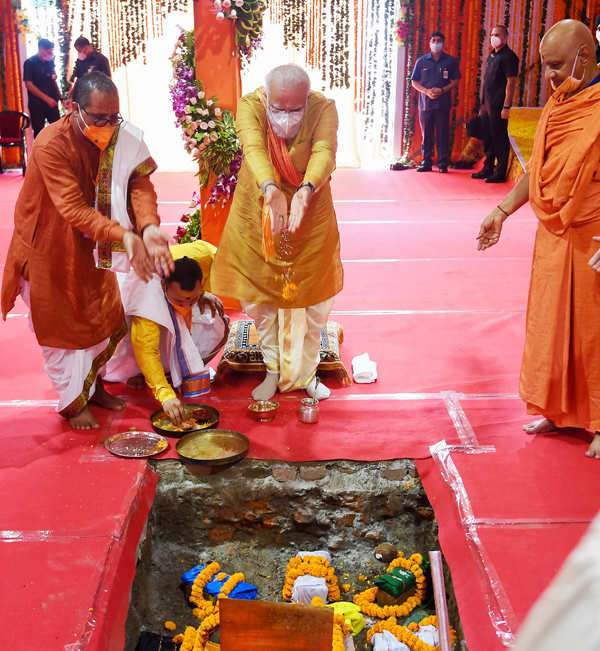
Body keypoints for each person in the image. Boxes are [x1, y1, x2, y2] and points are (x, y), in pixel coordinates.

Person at [1, 71, 173, 430]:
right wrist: (125, 237)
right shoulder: (51, 144)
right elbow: (73, 209)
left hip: (95, 246)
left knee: (102, 313)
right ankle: (72, 402)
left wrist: (149, 226)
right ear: (74, 108)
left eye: (114, 117)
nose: (108, 126)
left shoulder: (122, 137)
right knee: (65, 326)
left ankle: (92, 389)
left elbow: (139, 182)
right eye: (99, 118)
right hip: (49, 246)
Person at [476, 19, 600, 460]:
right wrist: (502, 211)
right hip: (554, 237)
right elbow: (539, 173)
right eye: (547, 67)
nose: (550, 77)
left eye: (558, 67)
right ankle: (557, 410)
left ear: (585, 58)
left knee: (593, 332)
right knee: (551, 326)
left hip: (594, 239)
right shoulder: (558, 106)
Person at [210, 64, 343, 402]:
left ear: (307, 99)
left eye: (295, 109)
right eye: (279, 108)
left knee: (313, 298)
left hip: (309, 212)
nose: (286, 116)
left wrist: (305, 190)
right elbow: (253, 148)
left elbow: (325, 151)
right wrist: (271, 189)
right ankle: (272, 367)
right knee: (261, 296)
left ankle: (307, 372)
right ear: (266, 98)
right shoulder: (251, 107)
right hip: (259, 209)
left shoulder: (323, 109)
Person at [104, 241, 229, 426]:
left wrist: (202, 296)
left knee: (212, 315)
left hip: (162, 306)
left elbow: (190, 292)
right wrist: (166, 396)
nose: (186, 306)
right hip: (124, 330)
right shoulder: (149, 301)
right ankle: (136, 371)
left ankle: (168, 368)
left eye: (191, 299)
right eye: (180, 300)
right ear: (163, 284)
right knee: (148, 338)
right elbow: (147, 352)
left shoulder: (203, 256)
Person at [472, 25, 519, 183]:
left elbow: (511, 83)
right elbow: (487, 82)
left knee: (499, 138)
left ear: (505, 37)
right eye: (492, 34)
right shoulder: (492, 54)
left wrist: (506, 106)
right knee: (488, 136)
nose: (494, 37)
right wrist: (482, 105)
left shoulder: (509, 57)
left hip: (499, 105)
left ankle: (500, 172)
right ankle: (488, 167)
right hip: (487, 105)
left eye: (497, 34)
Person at [411, 31, 461, 173]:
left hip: (443, 103)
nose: (436, 43)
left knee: (442, 134)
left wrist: (443, 90)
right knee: (426, 134)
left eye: (439, 40)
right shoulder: (421, 61)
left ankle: (442, 163)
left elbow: (455, 80)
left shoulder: (450, 61)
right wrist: (426, 91)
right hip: (425, 104)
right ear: (429, 43)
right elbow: (414, 81)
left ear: (443, 43)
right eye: (433, 40)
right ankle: (426, 162)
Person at [23, 38, 62, 138]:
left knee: (58, 130)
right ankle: (40, 153)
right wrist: (46, 99)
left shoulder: (50, 62)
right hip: (37, 105)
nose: (50, 53)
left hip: (52, 103)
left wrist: (61, 98)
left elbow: (53, 81)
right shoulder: (30, 63)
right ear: (41, 49)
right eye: (48, 51)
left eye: (51, 51)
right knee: (39, 133)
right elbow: (29, 85)